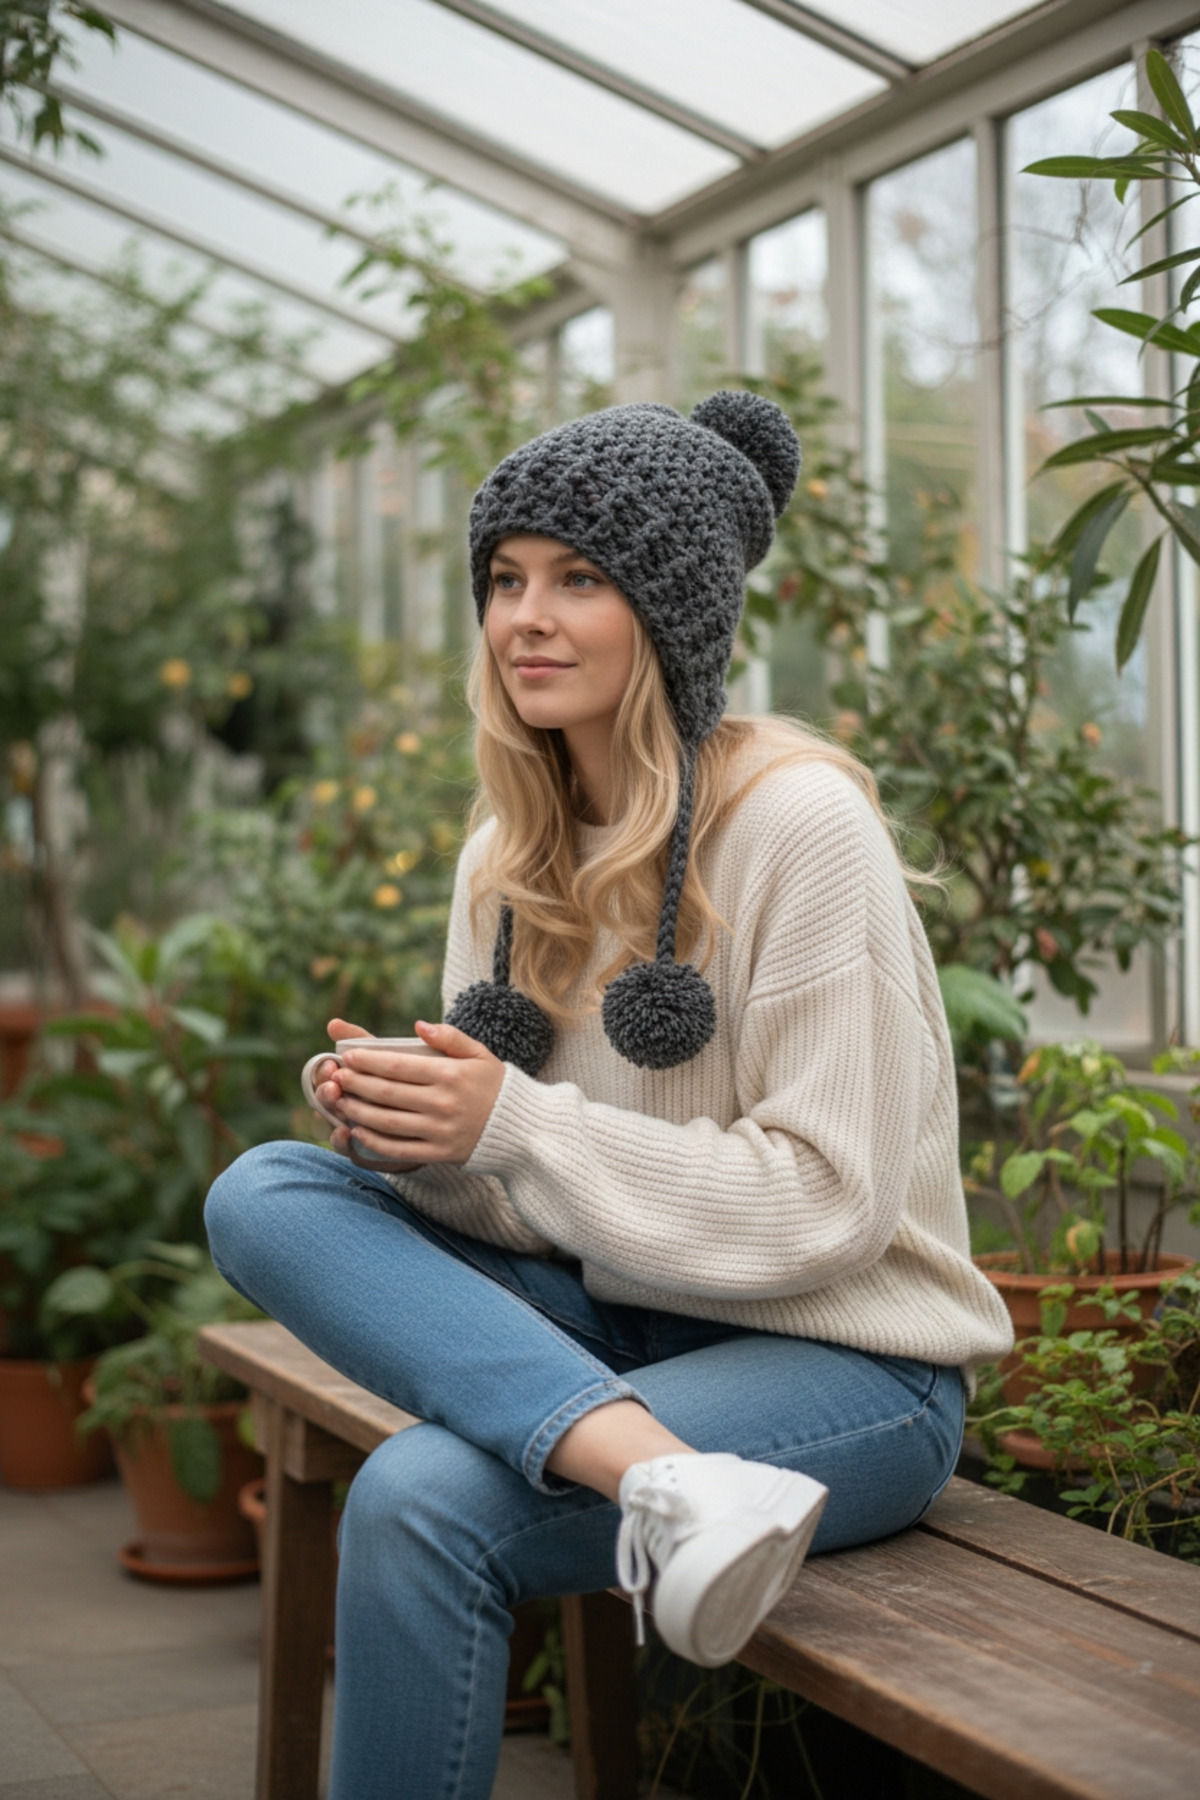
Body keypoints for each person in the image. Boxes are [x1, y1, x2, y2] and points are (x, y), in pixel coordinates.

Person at [205, 390, 1013, 1800]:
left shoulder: (800, 826)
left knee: (418, 1498)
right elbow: (530, 1204)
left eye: (579, 578)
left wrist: (512, 1124)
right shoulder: (505, 858)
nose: (527, 617)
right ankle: (668, 1477)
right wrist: (418, 1135)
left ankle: (667, 1471)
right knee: (265, 1189)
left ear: (673, 610)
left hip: (849, 1364)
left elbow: (828, 1204)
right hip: (608, 1330)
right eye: (506, 579)